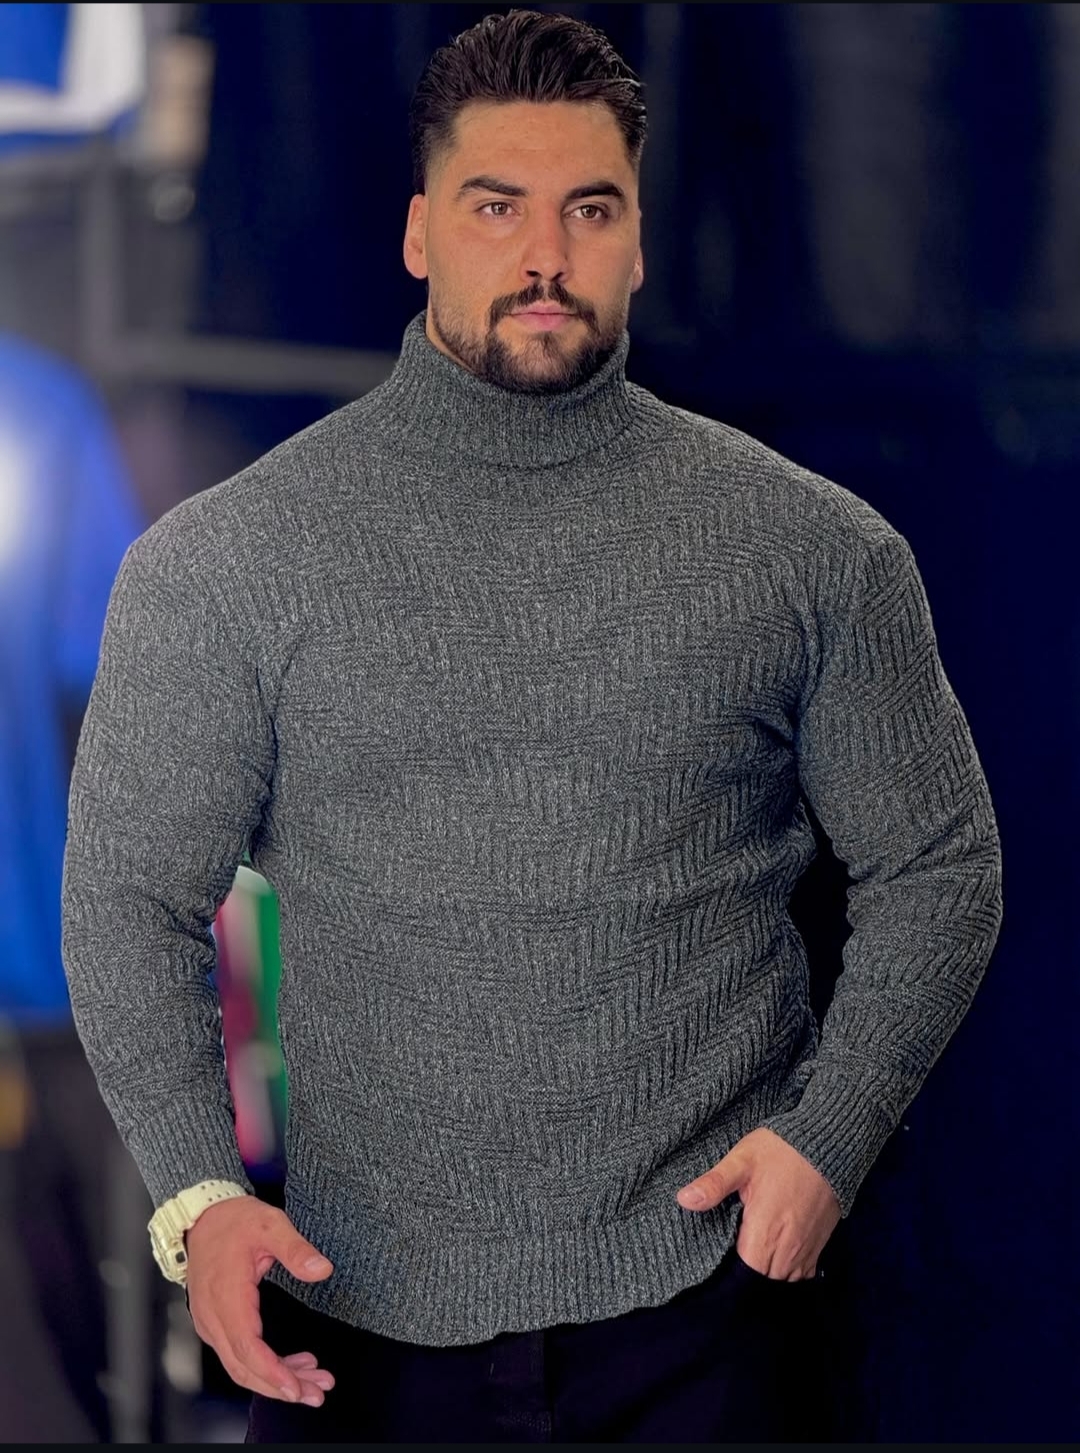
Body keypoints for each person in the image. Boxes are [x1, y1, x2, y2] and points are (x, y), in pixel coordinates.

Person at [60, 9, 1003, 1444]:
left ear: (638, 242)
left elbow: (940, 861)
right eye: (497, 207)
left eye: (591, 209)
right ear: (420, 234)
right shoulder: (228, 563)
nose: (546, 255)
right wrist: (198, 1196)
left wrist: (832, 1133)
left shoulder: (812, 552)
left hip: (718, 1322)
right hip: (360, 1330)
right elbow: (128, 898)